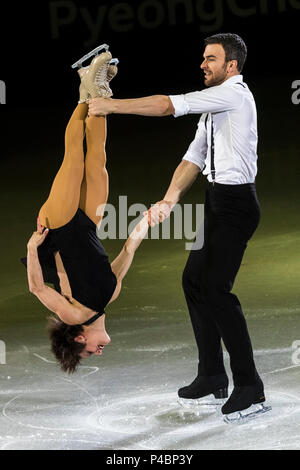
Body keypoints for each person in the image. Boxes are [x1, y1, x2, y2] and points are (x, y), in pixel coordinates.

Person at [88, 33, 268, 418]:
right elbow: (194, 156)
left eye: (211, 59)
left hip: (237, 206)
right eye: (203, 58)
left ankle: (250, 386)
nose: (203, 64)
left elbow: (169, 105)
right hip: (217, 202)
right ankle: (212, 376)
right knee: (193, 282)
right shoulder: (215, 106)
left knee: (217, 290)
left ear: (231, 66)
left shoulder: (234, 95)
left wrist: (110, 106)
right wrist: (170, 199)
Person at [21, 49, 150, 374]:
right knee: (98, 161)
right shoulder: (112, 292)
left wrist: (31, 248)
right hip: (88, 223)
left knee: (74, 158)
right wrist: (147, 221)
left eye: (91, 352)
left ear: (79, 340)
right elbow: (128, 249)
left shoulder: (73, 315)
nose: (99, 351)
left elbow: (37, 288)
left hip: (58, 227)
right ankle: (96, 89)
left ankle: (85, 95)